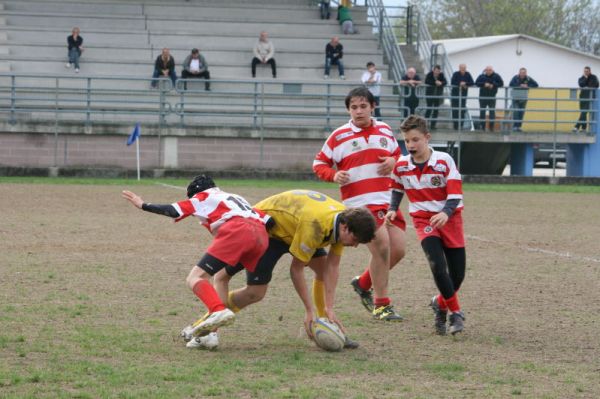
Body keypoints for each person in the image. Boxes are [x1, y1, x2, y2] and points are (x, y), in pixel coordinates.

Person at [206, 190, 377, 349]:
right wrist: (309, 310)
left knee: (323, 269)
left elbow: (331, 267)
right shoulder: (316, 224)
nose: (354, 245)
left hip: (295, 229)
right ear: (345, 227)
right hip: (265, 228)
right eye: (355, 240)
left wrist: (329, 308)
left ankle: (325, 322)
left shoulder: (344, 221)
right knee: (255, 292)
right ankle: (205, 326)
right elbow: (296, 270)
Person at [122, 175, 270, 350]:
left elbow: (174, 210)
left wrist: (143, 205)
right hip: (261, 237)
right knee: (221, 278)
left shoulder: (203, 197)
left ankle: (217, 310)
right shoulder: (236, 198)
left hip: (237, 230)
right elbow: (270, 221)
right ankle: (210, 334)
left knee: (196, 278)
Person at [313, 87, 407, 322]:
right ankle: (382, 305)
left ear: (372, 107)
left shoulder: (384, 130)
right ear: (348, 110)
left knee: (398, 250)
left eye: (363, 106)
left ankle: (363, 283)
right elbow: (319, 164)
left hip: (387, 201)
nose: (358, 111)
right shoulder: (339, 136)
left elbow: (400, 158)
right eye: (354, 107)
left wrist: (394, 160)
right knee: (382, 245)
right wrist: (333, 175)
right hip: (360, 205)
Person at [387, 115, 466, 335]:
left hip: (450, 220)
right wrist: (393, 208)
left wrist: (445, 212)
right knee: (437, 266)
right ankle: (456, 314)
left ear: (427, 138)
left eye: (415, 140)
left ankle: (439, 304)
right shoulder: (402, 165)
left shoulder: (444, 161)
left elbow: (455, 193)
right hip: (424, 221)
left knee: (457, 275)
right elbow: (396, 186)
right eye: (407, 141)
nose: (410, 145)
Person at [508, 68, 539, 132]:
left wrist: (527, 85)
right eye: (521, 72)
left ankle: (519, 127)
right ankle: (515, 127)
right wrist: (520, 86)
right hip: (515, 97)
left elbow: (536, 85)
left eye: (524, 73)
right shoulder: (515, 78)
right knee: (516, 112)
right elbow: (510, 84)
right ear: (519, 73)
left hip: (524, 97)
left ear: (526, 73)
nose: (523, 74)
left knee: (521, 112)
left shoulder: (528, 78)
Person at [475, 66, 503, 131]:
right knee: (482, 112)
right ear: (485, 70)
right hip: (482, 97)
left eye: (490, 70)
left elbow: (501, 83)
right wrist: (484, 84)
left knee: (492, 112)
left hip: (492, 97)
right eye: (487, 70)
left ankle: (491, 127)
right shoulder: (481, 76)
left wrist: (493, 85)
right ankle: (482, 127)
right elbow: (476, 83)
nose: (488, 71)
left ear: (492, 70)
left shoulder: (496, 76)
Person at [573, 66, 599, 132]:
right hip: (582, 97)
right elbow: (581, 84)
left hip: (590, 97)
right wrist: (585, 78)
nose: (586, 72)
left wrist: (586, 85)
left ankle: (577, 126)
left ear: (590, 71)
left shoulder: (593, 77)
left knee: (584, 112)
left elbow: (595, 85)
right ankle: (584, 128)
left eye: (587, 71)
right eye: (585, 71)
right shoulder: (582, 78)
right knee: (583, 112)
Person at [450, 64, 474, 130]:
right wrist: (460, 83)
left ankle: (461, 125)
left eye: (464, 68)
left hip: (463, 96)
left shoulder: (468, 74)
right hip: (455, 95)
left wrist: (465, 84)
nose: (463, 70)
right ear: (459, 68)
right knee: (455, 110)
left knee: (462, 110)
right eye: (462, 68)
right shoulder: (455, 74)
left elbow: (472, 83)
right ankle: (455, 126)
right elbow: (452, 82)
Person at [424, 65, 447, 130]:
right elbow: (427, 81)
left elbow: (445, 82)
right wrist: (435, 82)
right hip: (429, 95)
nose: (437, 72)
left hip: (437, 95)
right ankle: (425, 125)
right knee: (429, 109)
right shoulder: (429, 74)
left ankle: (433, 125)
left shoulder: (441, 75)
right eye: (436, 71)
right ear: (433, 70)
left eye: (438, 71)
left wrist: (441, 83)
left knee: (436, 110)